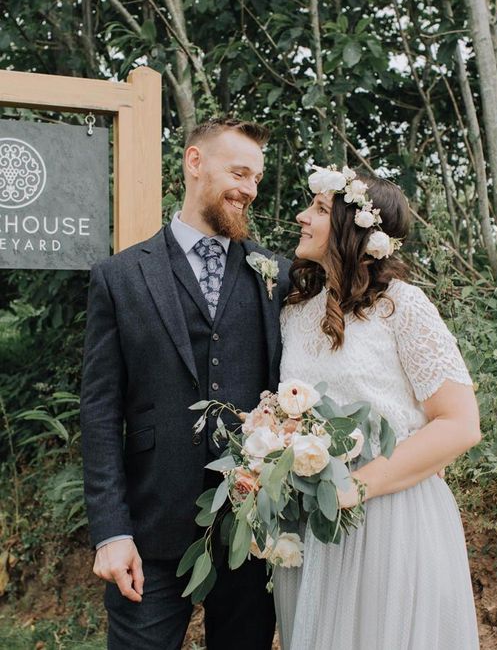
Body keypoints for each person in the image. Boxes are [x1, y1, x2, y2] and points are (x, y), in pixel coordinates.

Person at [79, 118, 290, 649]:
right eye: (239, 172)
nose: (249, 188)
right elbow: (100, 411)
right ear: (194, 163)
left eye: (257, 177)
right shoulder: (120, 276)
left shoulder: (276, 274)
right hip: (150, 531)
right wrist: (111, 530)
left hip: (248, 532)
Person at [274, 166, 481, 649]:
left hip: (390, 516)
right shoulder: (293, 311)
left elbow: (460, 424)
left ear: (353, 228)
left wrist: (356, 486)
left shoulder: (402, 306)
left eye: (320, 210)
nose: (302, 217)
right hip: (311, 516)